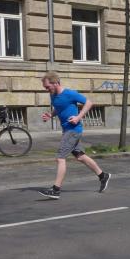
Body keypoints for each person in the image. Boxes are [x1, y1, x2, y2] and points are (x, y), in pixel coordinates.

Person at [38, 71, 111, 199]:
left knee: (60, 158)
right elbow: (59, 108)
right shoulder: (53, 95)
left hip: (73, 130)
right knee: (80, 156)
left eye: (47, 87)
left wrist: (78, 117)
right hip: (67, 130)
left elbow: (89, 103)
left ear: (55, 83)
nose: (46, 89)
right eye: (45, 87)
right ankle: (102, 176)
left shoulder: (69, 93)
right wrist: (51, 115)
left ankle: (56, 190)